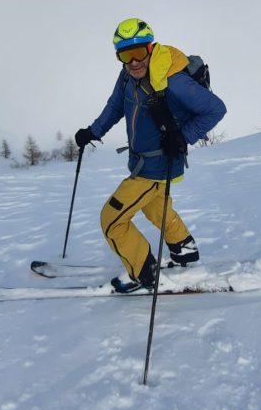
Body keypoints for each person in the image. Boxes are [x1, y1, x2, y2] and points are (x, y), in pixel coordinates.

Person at [75, 18, 226, 291]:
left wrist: (183, 137)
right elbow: (115, 106)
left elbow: (216, 109)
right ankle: (184, 251)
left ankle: (145, 274)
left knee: (112, 220)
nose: (134, 62)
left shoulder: (173, 80)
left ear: (150, 47)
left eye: (139, 52)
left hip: (157, 164)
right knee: (157, 210)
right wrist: (93, 132)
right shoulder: (127, 76)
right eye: (125, 55)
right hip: (140, 160)